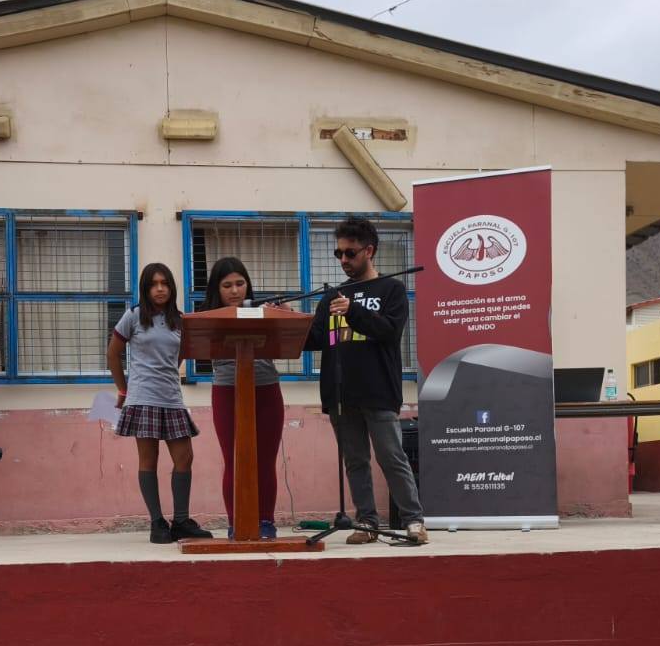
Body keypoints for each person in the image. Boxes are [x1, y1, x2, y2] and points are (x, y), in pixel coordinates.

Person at [304, 216, 428, 545]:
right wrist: (281, 323)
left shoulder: (392, 289)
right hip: (341, 393)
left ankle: (414, 521)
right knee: (355, 460)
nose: (343, 260)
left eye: (350, 253)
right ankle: (367, 521)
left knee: (391, 456)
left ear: (369, 251)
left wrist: (353, 312)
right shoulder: (332, 296)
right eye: (338, 254)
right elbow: (314, 338)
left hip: (378, 390)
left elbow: (389, 332)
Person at [107, 263, 213, 543]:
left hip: (172, 399)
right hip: (143, 399)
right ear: (145, 288)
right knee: (148, 460)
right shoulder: (133, 316)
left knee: (184, 457)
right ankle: (157, 523)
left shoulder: (180, 319)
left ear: (172, 287)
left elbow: (177, 358)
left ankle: (180, 521)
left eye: (165, 283)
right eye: (154, 284)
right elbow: (113, 354)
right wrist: (122, 389)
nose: (160, 289)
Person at [204, 257, 285, 540]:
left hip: (266, 387)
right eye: (227, 285)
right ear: (217, 289)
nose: (235, 290)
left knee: (265, 460)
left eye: (240, 283)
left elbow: (289, 336)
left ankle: (265, 521)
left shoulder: (263, 312)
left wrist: (283, 315)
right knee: (234, 459)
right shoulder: (208, 316)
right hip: (227, 390)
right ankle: (236, 522)